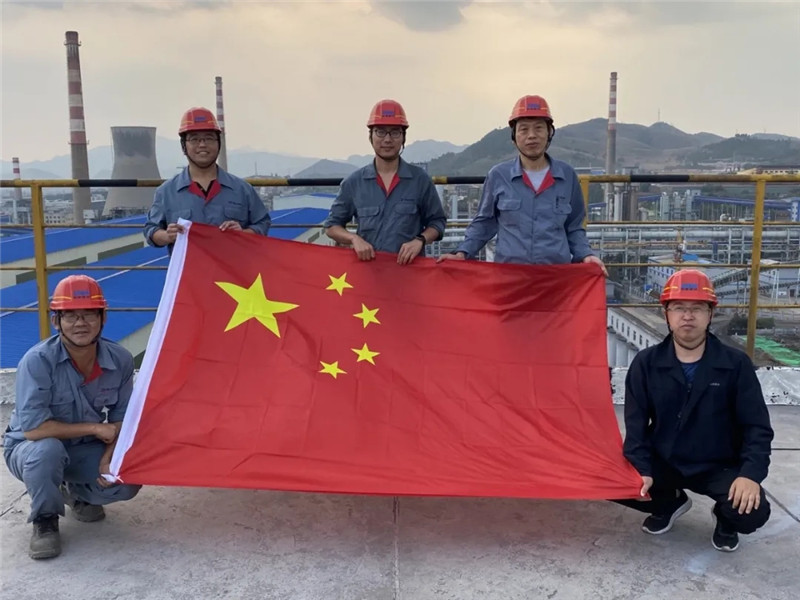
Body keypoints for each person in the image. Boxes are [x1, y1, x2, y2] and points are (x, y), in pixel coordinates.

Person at [616, 269, 773, 552]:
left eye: (697, 308)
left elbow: (757, 427)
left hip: (718, 463)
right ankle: (668, 503)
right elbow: (636, 425)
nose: (687, 316)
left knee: (752, 511)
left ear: (710, 314)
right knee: (612, 480)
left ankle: (725, 518)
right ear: (666, 314)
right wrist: (641, 468)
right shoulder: (646, 363)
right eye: (678, 308)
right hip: (666, 459)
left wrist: (750, 475)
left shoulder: (735, 364)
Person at [3, 275, 142, 559]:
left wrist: (109, 456)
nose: (80, 323)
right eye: (70, 316)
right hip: (30, 449)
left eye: (89, 314)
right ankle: (45, 520)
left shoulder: (120, 360)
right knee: (47, 451)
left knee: (127, 477)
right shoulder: (38, 361)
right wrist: (94, 428)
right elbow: (33, 430)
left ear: (103, 318)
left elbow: (124, 419)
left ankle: (74, 492)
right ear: (56, 322)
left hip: (81, 448)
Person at [437, 94, 606, 274]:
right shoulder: (498, 176)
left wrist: (586, 255)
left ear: (549, 133)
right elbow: (484, 223)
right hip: (510, 278)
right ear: (514, 136)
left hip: (555, 278)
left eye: (539, 128)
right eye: (524, 129)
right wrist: (462, 252)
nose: (531, 136)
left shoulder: (567, 176)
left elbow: (574, 227)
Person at [324, 99, 446, 265]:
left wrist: (420, 240)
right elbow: (332, 226)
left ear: (403, 137)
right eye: (380, 132)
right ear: (370, 136)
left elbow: (437, 222)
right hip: (369, 272)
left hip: (410, 273)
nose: (387, 139)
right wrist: (354, 239)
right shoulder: (354, 183)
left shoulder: (420, 180)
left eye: (395, 132)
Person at [143, 107, 270, 253]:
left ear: (218, 143)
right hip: (190, 267)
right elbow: (151, 230)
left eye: (209, 138)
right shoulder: (167, 192)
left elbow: (262, 224)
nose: (202, 144)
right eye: (194, 139)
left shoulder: (242, 189)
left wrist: (242, 233)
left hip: (231, 267)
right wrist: (167, 236)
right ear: (184, 145)